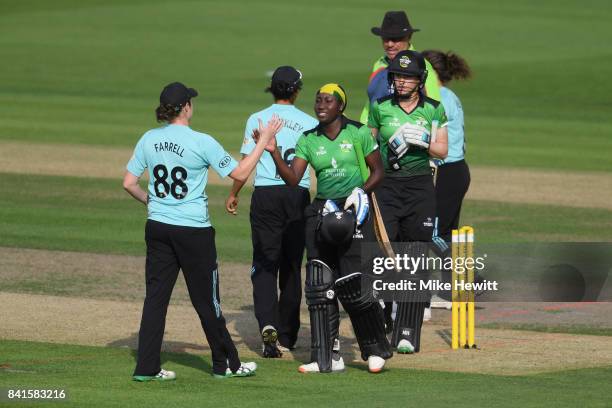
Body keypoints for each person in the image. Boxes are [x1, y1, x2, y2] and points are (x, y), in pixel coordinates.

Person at [123, 82, 282, 381]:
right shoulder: (202, 141)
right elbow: (240, 173)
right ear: (186, 107)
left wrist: (153, 203)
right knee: (208, 302)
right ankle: (228, 366)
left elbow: (129, 183)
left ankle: (146, 368)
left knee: (155, 299)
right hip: (193, 231)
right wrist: (264, 142)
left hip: (157, 227)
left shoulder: (149, 139)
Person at [260, 83, 392, 373]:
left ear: (340, 106)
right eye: (318, 100)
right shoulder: (308, 139)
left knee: (354, 283)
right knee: (320, 285)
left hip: (354, 209)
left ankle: (375, 348)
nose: (320, 105)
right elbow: (293, 179)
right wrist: (273, 152)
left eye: (328, 101)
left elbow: (378, 171)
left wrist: (360, 191)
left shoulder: (357, 132)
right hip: (321, 211)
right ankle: (326, 356)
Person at [225, 66, 317, 357]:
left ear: (272, 89)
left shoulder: (257, 119)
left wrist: (233, 193)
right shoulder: (310, 122)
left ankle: (267, 324)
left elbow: (245, 164)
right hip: (297, 195)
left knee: (264, 264)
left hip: (265, 195)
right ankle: (288, 334)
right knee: (291, 266)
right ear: (297, 91)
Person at [368, 51, 448, 354]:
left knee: (414, 257)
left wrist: (423, 141)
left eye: (408, 77)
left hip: (419, 189)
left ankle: (407, 331)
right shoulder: (380, 108)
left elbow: (442, 150)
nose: (401, 82)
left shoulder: (434, 110)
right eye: (398, 76)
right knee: (385, 254)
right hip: (387, 188)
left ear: (419, 81)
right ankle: (386, 317)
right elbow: (369, 147)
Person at [422, 50, 472, 308]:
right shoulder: (450, 95)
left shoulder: (438, 97)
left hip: (446, 170)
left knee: (431, 231)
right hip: (458, 170)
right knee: (449, 231)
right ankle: (447, 292)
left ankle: (467, 277)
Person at [359, 10, 441, 124]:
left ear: (409, 37)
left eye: (396, 39)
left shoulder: (421, 64)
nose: (390, 44)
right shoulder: (379, 64)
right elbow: (371, 103)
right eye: (385, 38)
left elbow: (435, 107)